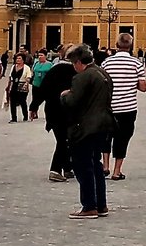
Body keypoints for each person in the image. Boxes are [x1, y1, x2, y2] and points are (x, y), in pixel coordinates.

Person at [42, 44, 114, 218]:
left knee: (83, 165)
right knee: (95, 164)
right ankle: (101, 204)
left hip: (86, 126)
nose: (73, 67)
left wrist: (65, 95)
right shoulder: (102, 73)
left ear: (79, 62)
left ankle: (89, 206)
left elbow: (73, 102)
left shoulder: (82, 77)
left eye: (74, 63)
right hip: (103, 123)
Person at [101, 32, 146, 179]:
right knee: (122, 138)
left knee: (106, 136)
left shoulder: (107, 62)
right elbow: (143, 87)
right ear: (131, 46)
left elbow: (102, 82)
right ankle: (117, 171)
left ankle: (105, 166)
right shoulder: (136, 63)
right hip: (127, 108)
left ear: (116, 45)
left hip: (108, 107)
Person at [7, 52, 34, 123]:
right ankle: (14, 118)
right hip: (14, 85)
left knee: (22, 102)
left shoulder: (26, 68)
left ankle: (25, 116)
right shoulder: (13, 67)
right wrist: (8, 86)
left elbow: (28, 77)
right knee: (12, 102)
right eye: (17, 58)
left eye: (19, 58)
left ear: (23, 60)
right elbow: (10, 77)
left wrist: (26, 83)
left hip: (22, 85)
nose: (18, 60)